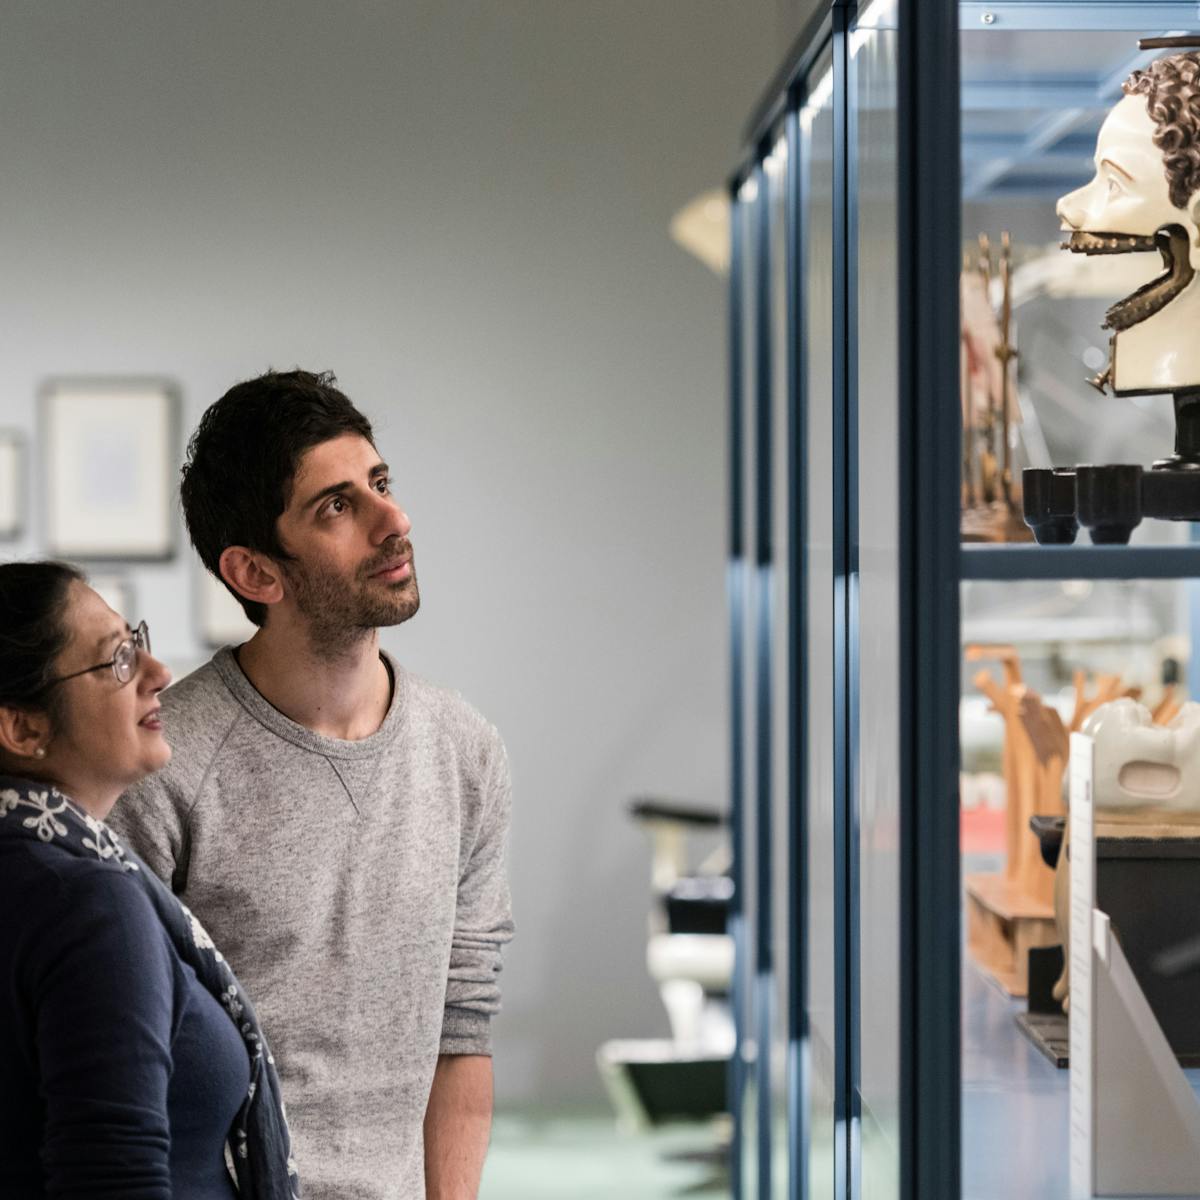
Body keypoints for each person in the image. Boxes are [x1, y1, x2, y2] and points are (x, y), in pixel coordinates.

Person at [108, 369, 514, 1200]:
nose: (393, 521)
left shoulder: (465, 751)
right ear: (256, 573)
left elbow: (462, 1030)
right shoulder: (161, 764)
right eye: (338, 506)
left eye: (380, 483)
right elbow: (123, 1058)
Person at [0, 560, 298, 1200]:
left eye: (138, 644)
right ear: (24, 727)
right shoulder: (88, 904)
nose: (159, 674)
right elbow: (113, 1180)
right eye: (117, 661)